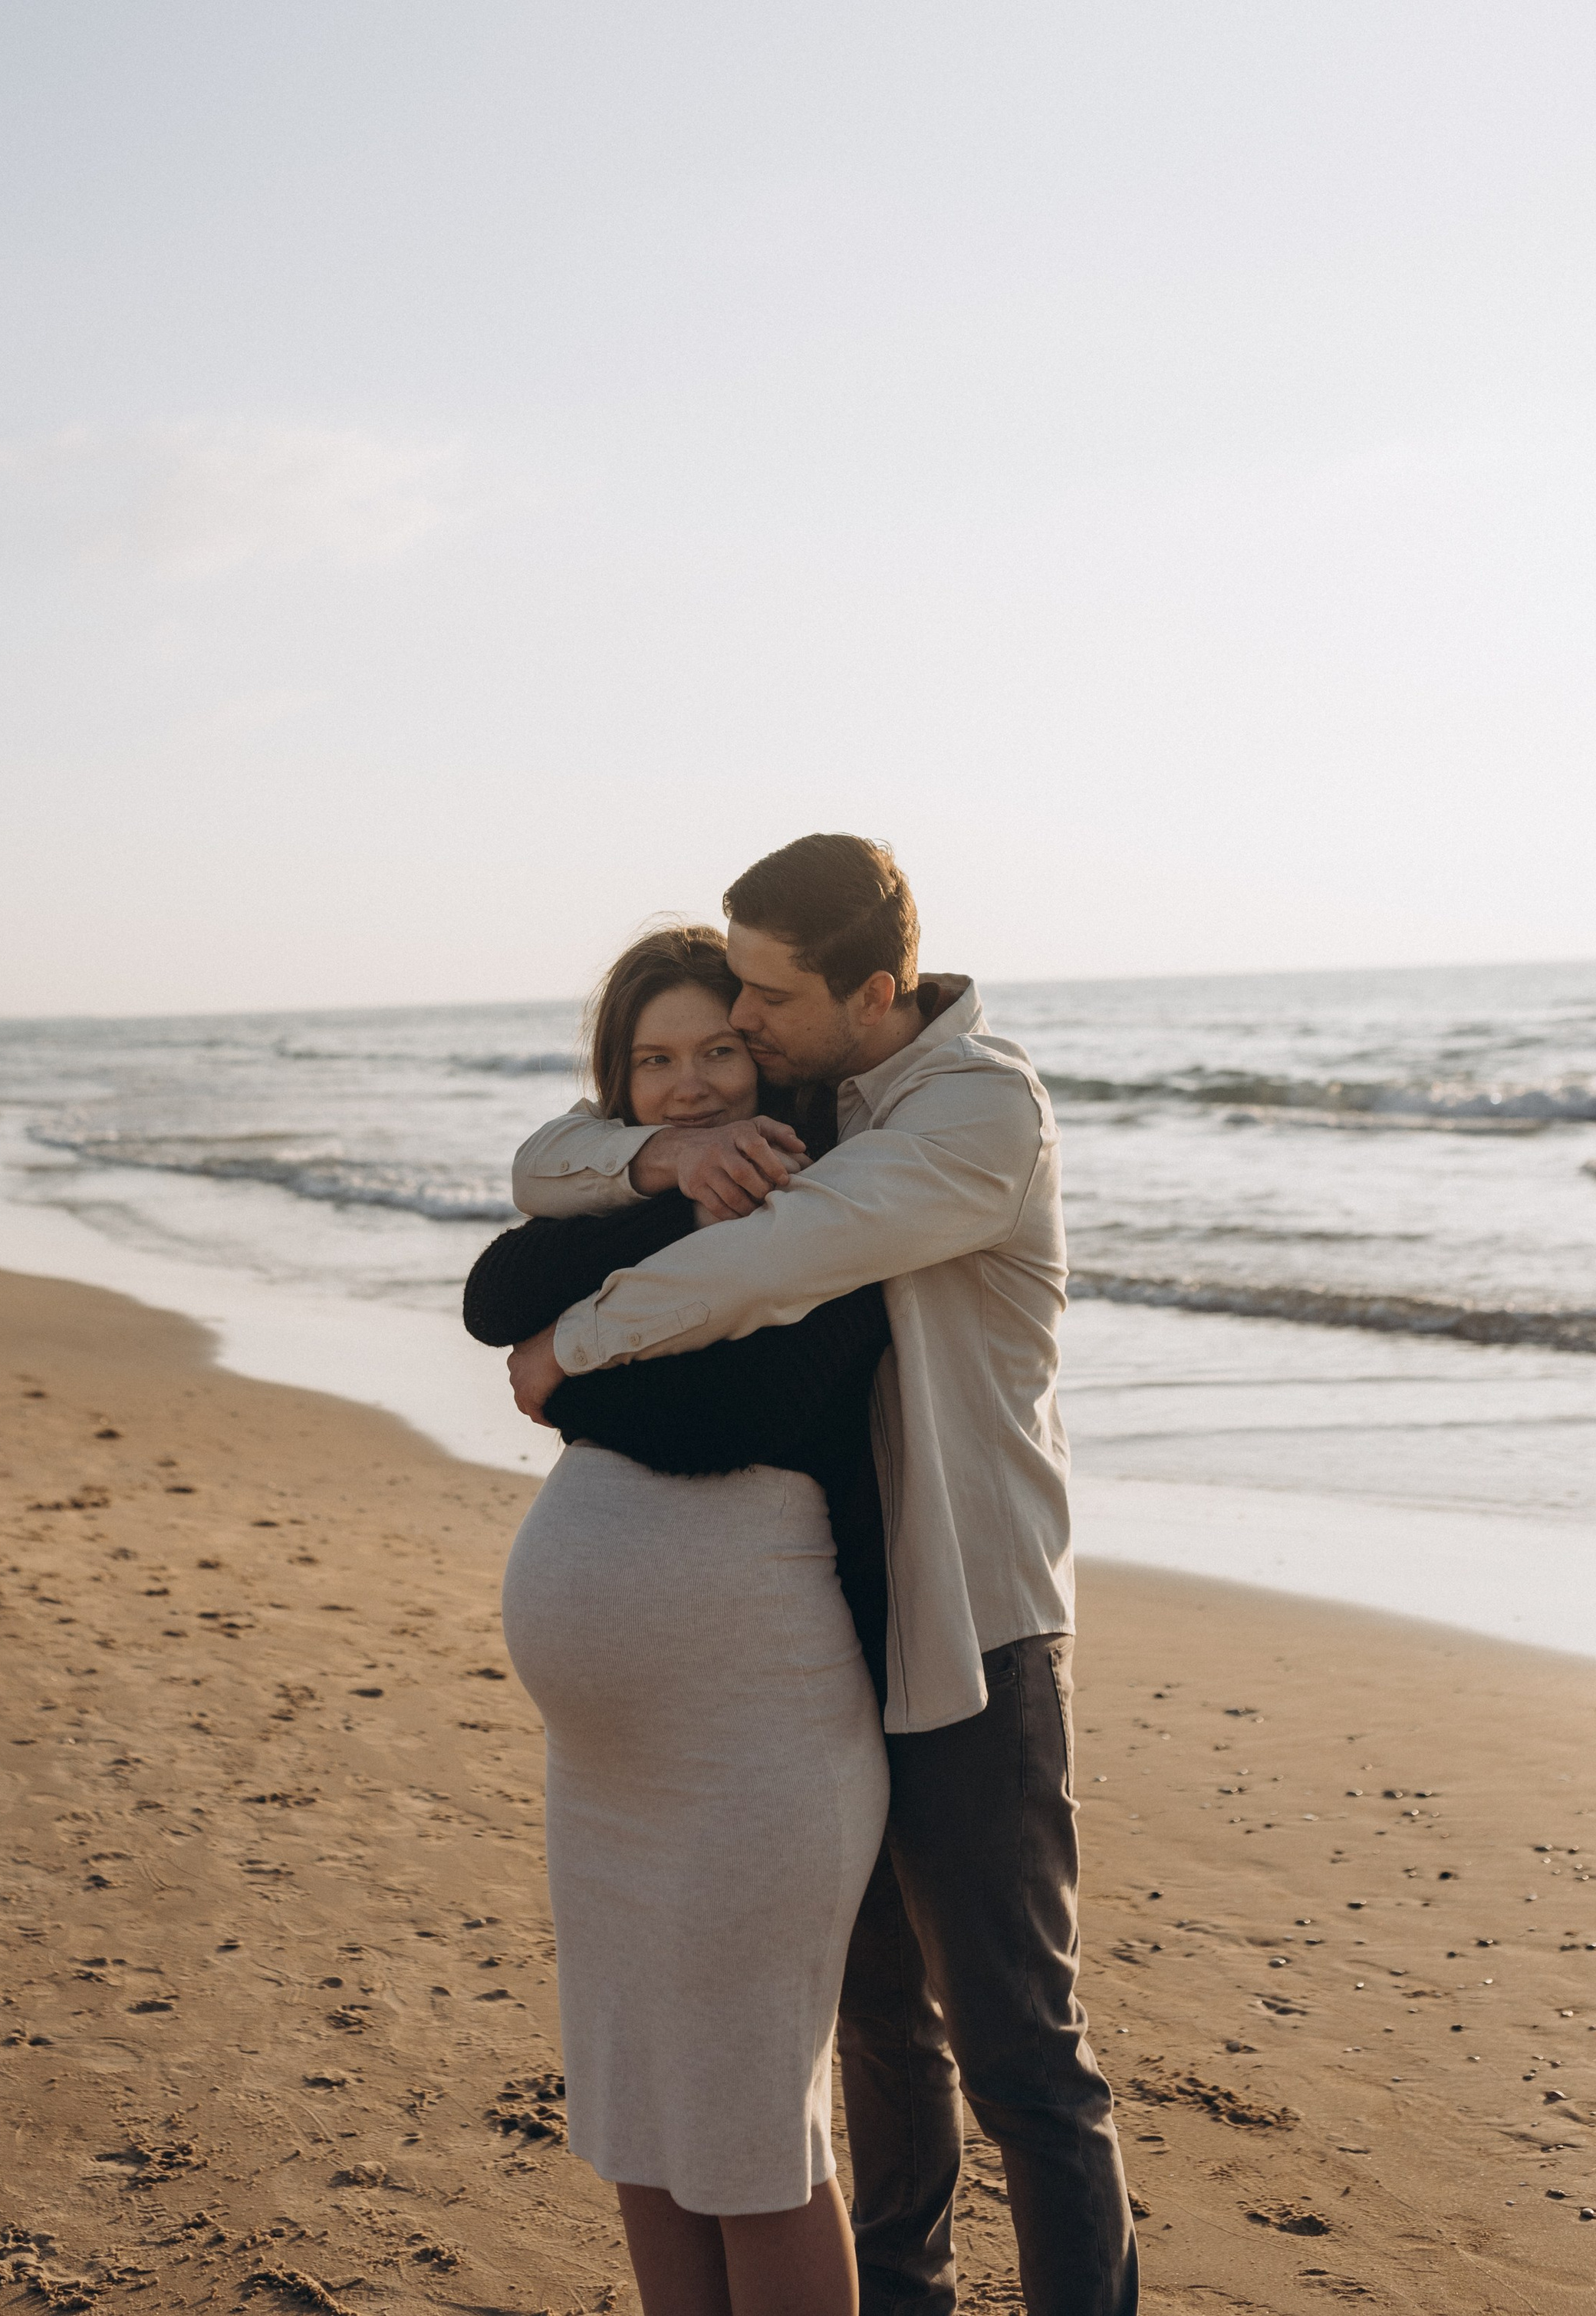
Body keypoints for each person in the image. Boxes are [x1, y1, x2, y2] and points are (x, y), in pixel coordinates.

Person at [505, 837, 1138, 2316]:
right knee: (876, 2030)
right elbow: (548, 1159)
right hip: (836, 1625)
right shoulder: (816, 1092)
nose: (747, 1023)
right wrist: (657, 1152)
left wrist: (566, 1352)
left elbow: (774, 1260)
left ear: (876, 988)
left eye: (767, 999)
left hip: (974, 1627)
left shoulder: (978, 1113)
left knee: (1021, 2052)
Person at [468, 924, 893, 2316]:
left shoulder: (839, 1204)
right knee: (643, 2124)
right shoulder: (642, 1188)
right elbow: (492, 1297)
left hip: (754, 1745)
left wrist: (563, 1377)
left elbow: (740, 1416)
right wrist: (666, 1180)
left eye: (721, 1047)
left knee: (753, 2142)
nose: (694, 1082)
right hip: (611, 1774)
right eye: (656, 1063)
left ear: (769, 1049)